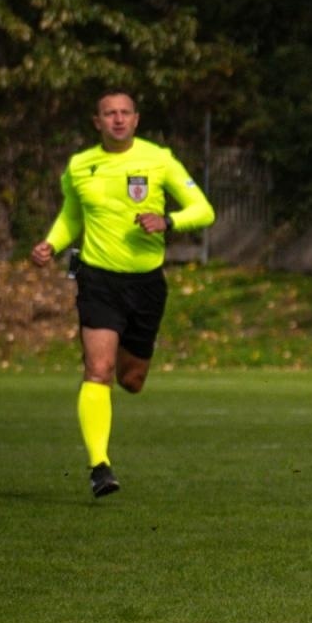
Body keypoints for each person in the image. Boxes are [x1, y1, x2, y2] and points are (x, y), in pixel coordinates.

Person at [31, 90, 215, 497]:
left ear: (136, 119)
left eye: (124, 113)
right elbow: (72, 215)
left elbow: (203, 210)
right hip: (97, 278)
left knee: (131, 380)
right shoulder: (80, 166)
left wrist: (166, 220)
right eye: (109, 113)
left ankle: (116, 380)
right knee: (98, 370)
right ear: (97, 122)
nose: (117, 119)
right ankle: (100, 466)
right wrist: (52, 244)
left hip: (146, 283)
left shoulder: (158, 159)